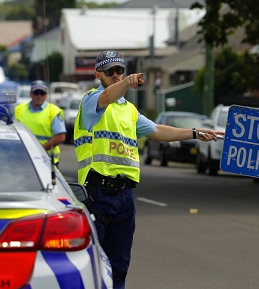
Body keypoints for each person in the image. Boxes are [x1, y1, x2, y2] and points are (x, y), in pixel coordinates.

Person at [74, 50, 224, 289]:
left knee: (120, 264)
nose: (116, 75)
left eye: (120, 70)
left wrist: (195, 133)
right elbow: (107, 97)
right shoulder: (92, 100)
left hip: (124, 196)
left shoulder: (129, 111)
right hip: (97, 194)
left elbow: (157, 131)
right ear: (97, 74)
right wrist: (126, 82)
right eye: (110, 71)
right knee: (92, 264)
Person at [15, 80, 66, 167]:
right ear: (30, 94)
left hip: (47, 160)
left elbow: (60, 137)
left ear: (46, 94)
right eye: (36, 93)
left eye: (42, 93)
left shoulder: (53, 111)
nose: (39, 96)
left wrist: (40, 149)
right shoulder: (19, 109)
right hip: (23, 158)